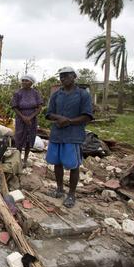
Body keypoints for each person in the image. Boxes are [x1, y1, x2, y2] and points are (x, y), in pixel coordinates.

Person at [45, 67, 93, 208]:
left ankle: (71, 194)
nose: (63, 79)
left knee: (73, 165)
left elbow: (87, 116)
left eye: (66, 76)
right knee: (57, 162)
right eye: (61, 77)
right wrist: (59, 118)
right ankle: (59, 189)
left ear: (74, 76)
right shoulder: (56, 95)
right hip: (57, 134)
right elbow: (49, 114)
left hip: (73, 135)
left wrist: (70, 121)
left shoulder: (83, 95)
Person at [11, 74, 43, 165]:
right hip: (20, 119)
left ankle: (25, 159)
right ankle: (18, 158)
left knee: (29, 138)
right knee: (19, 138)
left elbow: (39, 107)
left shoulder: (36, 93)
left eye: (26, 80)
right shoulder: (18, 93)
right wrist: (23, 117)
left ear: (31, 82)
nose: (24, 82)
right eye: (23, 80)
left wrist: (30, 117)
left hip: (32, 120)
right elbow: (14, 107)